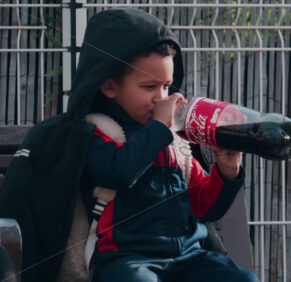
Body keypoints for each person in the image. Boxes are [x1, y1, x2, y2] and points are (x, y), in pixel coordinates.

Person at [70, 8, 259, 282]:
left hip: (187, 257)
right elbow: (120, 172)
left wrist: (226, 172)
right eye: (149, 87)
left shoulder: (175, 145)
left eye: (167, 86)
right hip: (127, 259)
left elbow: (206, 206)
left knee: (242, 279)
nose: (162, 98)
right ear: (110, 86)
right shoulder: (99, 132)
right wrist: (160, 129)